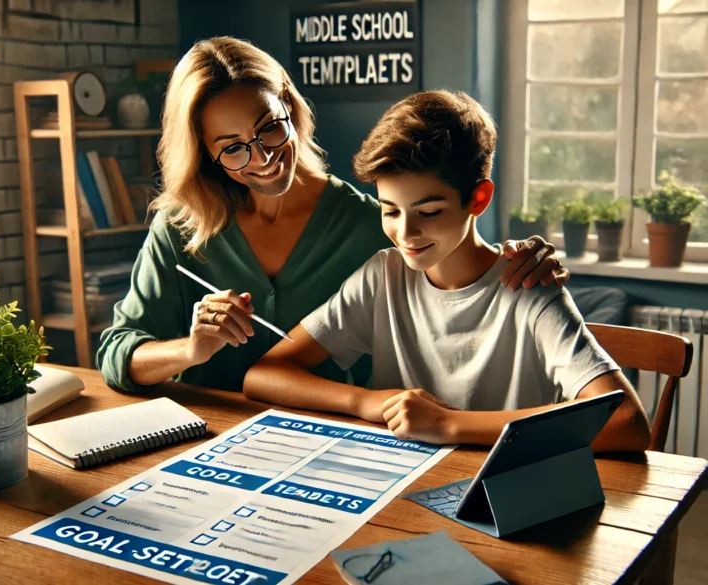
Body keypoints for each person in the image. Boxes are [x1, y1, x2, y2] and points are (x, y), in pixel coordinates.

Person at [97, 37, 568, 394]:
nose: (262, 157)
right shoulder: (181, 227)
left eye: (269, 128)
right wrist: (189, 349)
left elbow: (457, 267)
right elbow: (116, 352)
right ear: (205, 153)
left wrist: (521, 257)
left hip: (333, 446)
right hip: (201, 441)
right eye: (235, 148)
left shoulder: (372, 224)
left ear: (290, 104)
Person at [243, 90, 650, 452]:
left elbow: (626, 422)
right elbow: (263, 375)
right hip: (397, 485)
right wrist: (366, 401)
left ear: (478, 197)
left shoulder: (528, 287)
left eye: (430, 212)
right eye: (390, 210)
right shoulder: (381, 278)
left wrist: (449, 424)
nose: (406, 233)